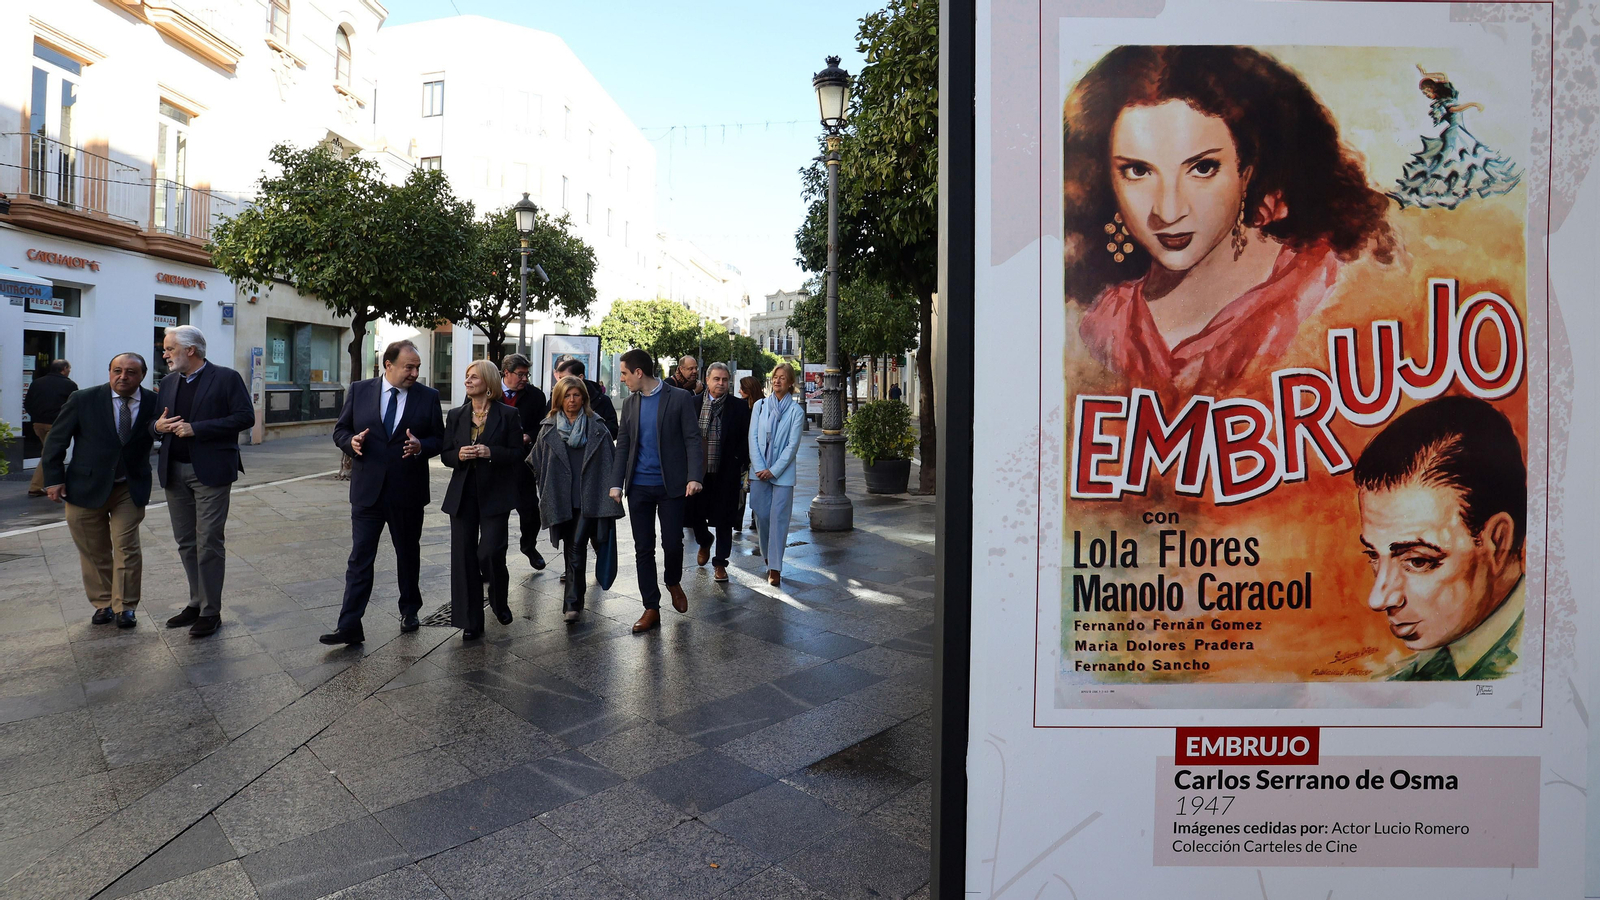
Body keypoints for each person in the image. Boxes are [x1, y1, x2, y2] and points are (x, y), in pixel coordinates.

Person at [1063, 45, 1396, 394]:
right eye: (1138, 170)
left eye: (1202, 168)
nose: (1168, 211)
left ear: (1249, 172)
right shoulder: (1102, 327)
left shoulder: (1329, 294)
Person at [1354, 396, 1526, 681]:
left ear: (1498, 542)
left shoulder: (1543, 662)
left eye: (1418, 561)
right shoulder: (1404, 681)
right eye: (1374, 555)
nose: (1379, 598)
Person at [321, 340, 445, 645]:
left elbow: (440, 439)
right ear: (387, 365)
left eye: (417, 367)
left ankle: (410, 609)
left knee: (407, 553)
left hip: (407, 490)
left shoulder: (428, 397)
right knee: (360, 557)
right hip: (367, 491)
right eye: (409, 367)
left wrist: (421, 447)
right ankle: (349, 624)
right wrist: (350, 443)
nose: (415, 373)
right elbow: (340, 430)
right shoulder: (360, 390)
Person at [40, 353, 158, 627]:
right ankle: (104, 602)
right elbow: (57, 439)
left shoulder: (154, 402)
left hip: (130, 486)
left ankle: (125, 606)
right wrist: (54, 478)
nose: (123, 376)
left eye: (130, 372)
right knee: (94, 549)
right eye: (117, 370)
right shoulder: (83, 399)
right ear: (109, 372)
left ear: (142, 375)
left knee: (127, 547)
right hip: (85, 486)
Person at [152, 325, 254, 638]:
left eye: (169, 349)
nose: (165, 354)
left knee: (208, 540)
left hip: (210, 471)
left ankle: (211, 611)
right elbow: (154, 425)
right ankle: (196, 602)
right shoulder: (168, 382)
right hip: (174, 470)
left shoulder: (225, 378)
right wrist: (157, 427)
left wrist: (198, 429)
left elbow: (244, 417)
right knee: (186, 541)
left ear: (190, 351)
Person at [609, 348, 704, 633]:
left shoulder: (679, 398)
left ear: (639, 372)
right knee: (643, 548)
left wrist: (694, 476)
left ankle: (672, 580)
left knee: (673, 543)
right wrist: (616, 482)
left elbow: (692, 439)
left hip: (671, 486)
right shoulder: (630, 404)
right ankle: (651, 607)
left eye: (625, 373)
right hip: (638, 487)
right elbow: (623, 444)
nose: (623, 379)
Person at [441, 360, 524, 640]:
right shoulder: (456, 415)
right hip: (463, 495)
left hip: (495, 494)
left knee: (489, 552)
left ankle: (498, 599)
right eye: (466, 377)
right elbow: (445, 454)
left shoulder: (509, 415)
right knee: (463, 558)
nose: (468, 381)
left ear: (488, 383)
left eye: (474, 377)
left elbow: (516, 454)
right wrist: (459, 456)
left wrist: (491, 452)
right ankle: (471, 621)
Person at [533, 376, 624, 621]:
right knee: (570, 546)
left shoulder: (597, 426)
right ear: (559, 399)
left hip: (589, 498)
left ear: (583, 397)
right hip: (560, 498)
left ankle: (572, 604)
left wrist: (612, 492)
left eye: (576, 395)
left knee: (576, 545)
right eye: (567, 395)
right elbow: (535, 461)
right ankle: (575, 599)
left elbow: (611, 461)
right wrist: (545, 487)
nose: (572, 400)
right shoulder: (549, 426)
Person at [1389, 64, 1521, 209]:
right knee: (1449, 164)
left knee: (1461, 163)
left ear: (1432, 89)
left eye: (1427, 92)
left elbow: (1443, 77)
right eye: (1425, 94)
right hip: (1453, 134)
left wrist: (1426, 74)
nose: (1426, 96)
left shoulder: (1448, 96)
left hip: (1457, 133)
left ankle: (1442, 192)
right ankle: (1427, 192)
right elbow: (1453, 108)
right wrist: (1472, 104)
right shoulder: (1442, 103)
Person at [688, 363, 750, 583]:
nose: (721, 383)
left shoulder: (739, 408)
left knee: (724, 520)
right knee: (694, 515)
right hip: (698, 473)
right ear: (707, 380)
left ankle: (720, 563)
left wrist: (738, 462)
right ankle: (705, 540)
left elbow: (745, 439)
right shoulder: (693, 404)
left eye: (725, 380)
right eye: (717, 379)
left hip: (726, 472)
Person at [747, 364, 805, 587]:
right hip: (759, 471)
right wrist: (760, 466)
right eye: (775, 377)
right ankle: (767, 554)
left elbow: (792, 446)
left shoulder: (796, 412)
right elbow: (753, 437)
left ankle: (775, 567)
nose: (777, 381)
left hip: (782, 474)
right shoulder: (760, 406)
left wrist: (774, 470)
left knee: (779, 519)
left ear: (791, 383)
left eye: (783, 378)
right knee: (761, 516)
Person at [500, 354, 548, 571]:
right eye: (520, 374)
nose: (524, 379)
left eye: (527, 374)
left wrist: (529, 435)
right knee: (494, 515)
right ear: (506, 373)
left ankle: (529, 546)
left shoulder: (535, 396)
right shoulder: (489, 391)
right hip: (495, 463)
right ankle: (491, 559)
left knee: (530, 511)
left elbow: (543, 426)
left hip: (523, 462)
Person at [25, 359, 77, 497]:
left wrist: (36, 416)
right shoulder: (69, 385)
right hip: (56, 424)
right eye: (69, 368)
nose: (69, 371)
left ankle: (51, 482)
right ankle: (36, 487)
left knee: (49, 452)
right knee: (50, 454)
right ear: (64, 368)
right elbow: (75, 405)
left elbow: (27, 402)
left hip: (38, 424)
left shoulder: (37, 383)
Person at [554, 356, 619, 438]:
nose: (561, 382)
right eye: (560, 378)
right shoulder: (555, 398)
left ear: (580, 377)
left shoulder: (601, 400)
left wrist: (590, 434)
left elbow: (613, 430)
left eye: (566, 378)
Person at [738, 375, 765, 530]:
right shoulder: (742, 405)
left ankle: (756, 518)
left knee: (757, 488)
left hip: (758, 453)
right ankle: (739, 521)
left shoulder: (764, 405)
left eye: (742, 388)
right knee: (742, 488)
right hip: (744, 453)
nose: (740, 391)